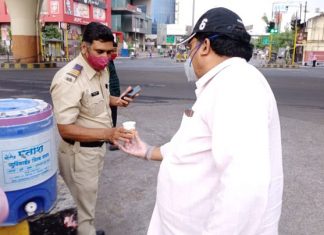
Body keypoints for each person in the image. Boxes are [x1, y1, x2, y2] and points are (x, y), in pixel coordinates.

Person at [119, 7, 283, 234]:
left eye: (190, 47)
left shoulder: (238, 86)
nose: (189, 57)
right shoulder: (222, 83)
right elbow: (192, 147)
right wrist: (146, 151)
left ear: (205, 46)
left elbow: (244, 187)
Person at [50, 22, 134, 235]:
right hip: (78, 154)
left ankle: (86, 230)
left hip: (95, 151)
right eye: (100, 51)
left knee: (89, 200)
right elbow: (66, 129)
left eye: (109, 52)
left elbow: (97, 100)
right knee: (81, 208)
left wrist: (116, 100)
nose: (105, 57)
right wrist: (109, 133)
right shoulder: (69, 80)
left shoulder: (101, 70)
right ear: (84, 48)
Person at [107, 42, 121, 151]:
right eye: (113, 51)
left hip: (114, 92)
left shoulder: (110, 60)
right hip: (110, 93)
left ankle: (109, 137)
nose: (115, 53)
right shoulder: (106, 61)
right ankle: (111, 139)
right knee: (111, 116)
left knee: (112, 115)